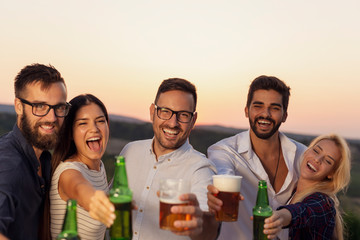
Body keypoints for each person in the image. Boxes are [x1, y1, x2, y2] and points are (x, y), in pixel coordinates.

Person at [207, 75, 307, 240]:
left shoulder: (302, 155)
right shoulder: (224, 151)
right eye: (258, 106)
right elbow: (222, 173)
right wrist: (217, 190)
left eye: (274, 108)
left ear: (284, 115)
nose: (265, 114)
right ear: (247, 111)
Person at [119, 78, 218, 240]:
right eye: (165, 111)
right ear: (152, 112)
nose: (173, 123)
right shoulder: (130, 150)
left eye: (183, 115)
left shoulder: (200, 170)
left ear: (193, 120)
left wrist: (201, 225)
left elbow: (207, 230)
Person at [0, 64, 69, 240]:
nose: (52, 118)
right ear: (18, 106)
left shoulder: (44, 159)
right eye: (39, 106)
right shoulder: (9, 164)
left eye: (59, 107)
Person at [50, 94, 115, 240]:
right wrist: (94, 200)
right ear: (71, 133)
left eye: (100, 121)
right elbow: (80, 188)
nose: (94, 129)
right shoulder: (68, 172)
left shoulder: (99, 168)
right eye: (83, 123)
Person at [263, 134, 351, 240]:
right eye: (316, 151)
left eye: (328, 161)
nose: (317, 159)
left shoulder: (323, 203)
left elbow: (302, 212)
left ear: (331, 174)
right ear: (306, 151)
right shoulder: (293, 191)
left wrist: (279, 217)